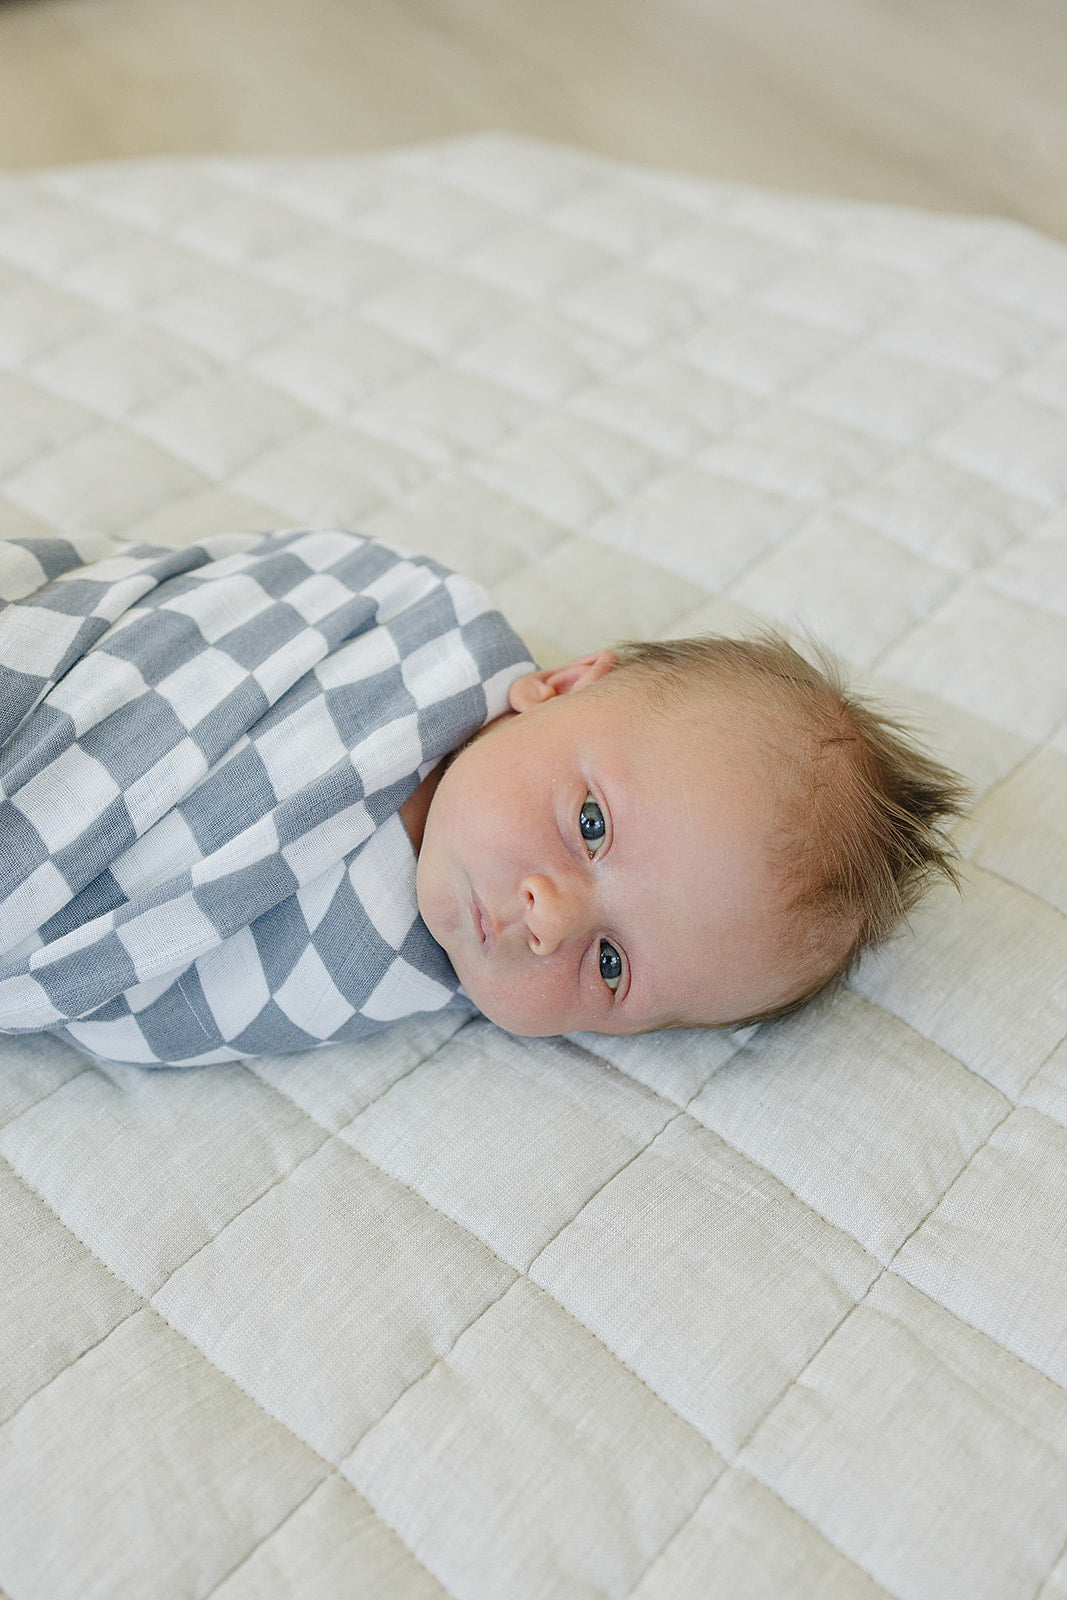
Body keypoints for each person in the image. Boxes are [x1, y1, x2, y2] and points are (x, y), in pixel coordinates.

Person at [0, 529, 966, 1065]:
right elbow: (205, 612)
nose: (550, 918)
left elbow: (154, 992)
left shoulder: (368, 973)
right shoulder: (409, 629)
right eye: (591, 824)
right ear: (567, 683)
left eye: (613, 967)